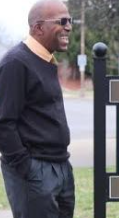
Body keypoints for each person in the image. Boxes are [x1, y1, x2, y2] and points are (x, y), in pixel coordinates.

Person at [0, 0, 74, 217]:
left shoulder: (46, 60)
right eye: (62, 21)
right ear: (38, 27)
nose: (68, 27)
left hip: (60, 164)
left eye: (69, 20)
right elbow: (4, 122)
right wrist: (26, 168)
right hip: (35, 170)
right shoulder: (16, 63)